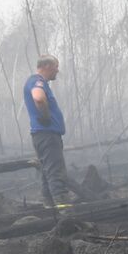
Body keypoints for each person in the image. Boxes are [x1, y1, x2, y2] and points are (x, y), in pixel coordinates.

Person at [23, 55, 77, 210]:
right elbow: (39, 98)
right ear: (46, 65)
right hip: (47, 135)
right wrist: (45, 116)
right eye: (55, 66)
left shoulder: (36, 81)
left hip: (42, 135)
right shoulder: (37, 81)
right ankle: (65, 211)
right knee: (55, 172)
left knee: (47, 172)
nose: (57, 70)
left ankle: (50, 209)